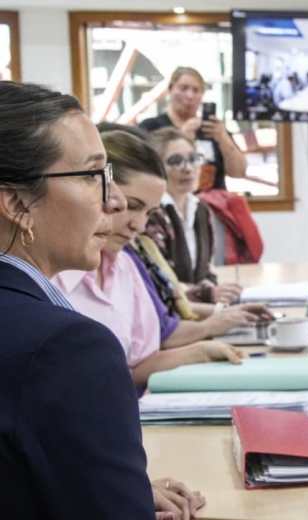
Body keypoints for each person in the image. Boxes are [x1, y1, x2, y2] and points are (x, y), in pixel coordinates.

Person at [0, 81, 201, 518]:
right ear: (16, 202)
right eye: (93, 176)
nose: (112, 202)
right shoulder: (66, 348)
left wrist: (102, 479)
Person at [52, 130, 250, 388]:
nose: (139, 225)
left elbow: (138, 366)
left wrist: (202, 351)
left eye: (149, 213)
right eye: (131, 206)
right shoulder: (50, 277)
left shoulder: (125, 267)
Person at [146, 127, 241, 304]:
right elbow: (158, 282)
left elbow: (207, 271)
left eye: (193, 159)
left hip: (200, 311)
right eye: (175, 161)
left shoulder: (201, 209)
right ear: (157, 167)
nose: (188, 168)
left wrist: (215, 291)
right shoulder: (152, 213)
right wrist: (207, 294)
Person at [139, 66, 247, 191]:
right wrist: (181, 137)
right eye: (183, 88)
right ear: (170, 89)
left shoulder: (213, 129)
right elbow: (145, 171)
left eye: (196, 90)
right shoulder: (150, 127)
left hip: (212, 204)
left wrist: (223, 138)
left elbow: (239, 172)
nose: (190, 95)